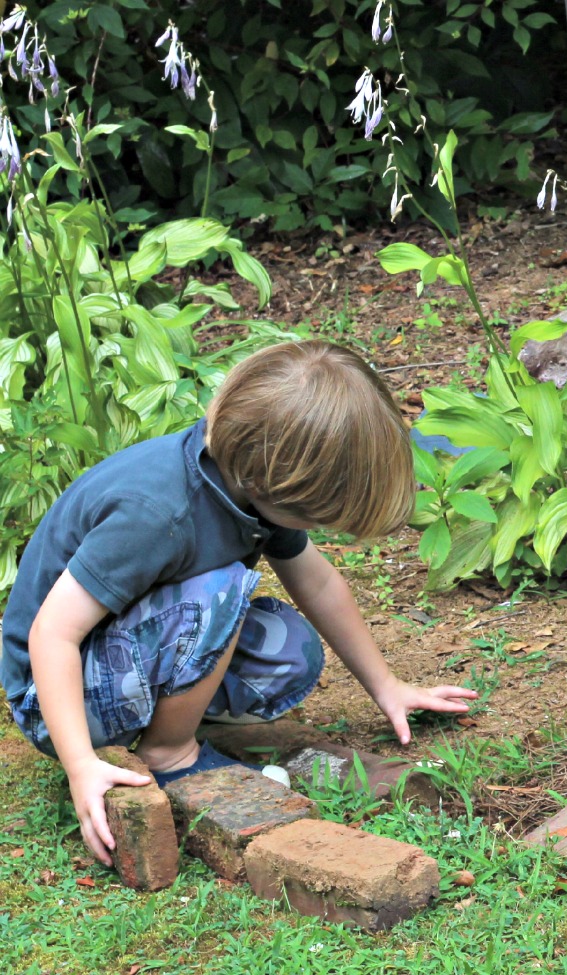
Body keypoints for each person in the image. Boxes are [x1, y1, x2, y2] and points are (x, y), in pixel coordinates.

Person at [0, 340, 477, 867]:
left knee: (290, 650)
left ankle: (165, 724)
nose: (318, 530)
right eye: (316, 516)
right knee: (223, 590)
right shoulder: (156, 514)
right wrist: (80, 765)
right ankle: (168, 752)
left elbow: (317, 584)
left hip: (118, 662)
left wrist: (387, 686)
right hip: (52, 700)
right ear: (270, 481)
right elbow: (52, 634)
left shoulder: (243, 481)